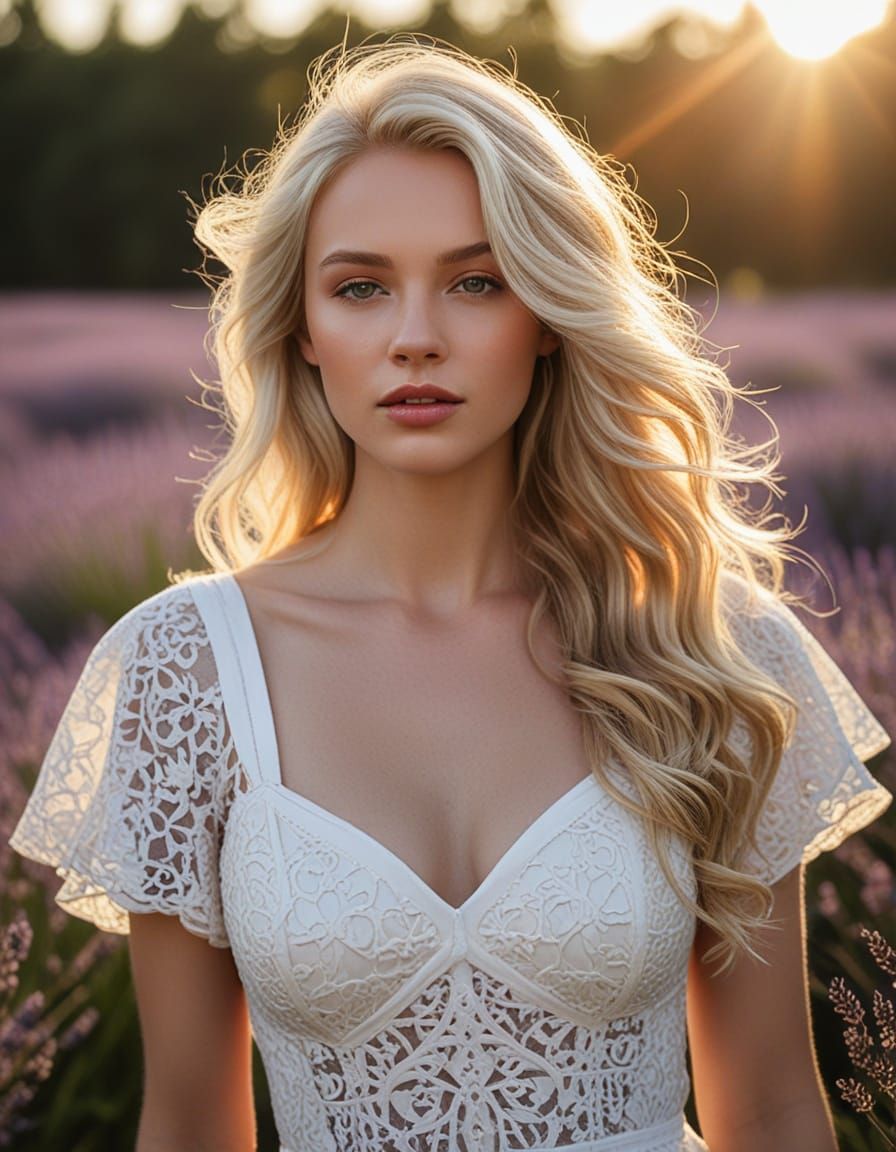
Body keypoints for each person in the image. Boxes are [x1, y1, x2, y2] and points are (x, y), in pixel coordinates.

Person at [11, 35, 893, 1152]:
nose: (415, 338)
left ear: (548, 317)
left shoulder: (709, 649)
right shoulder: (185, 672)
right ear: (302, 329)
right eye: (360, 287)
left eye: (476, 281)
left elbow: (768, 1109)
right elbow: (188, 1124)